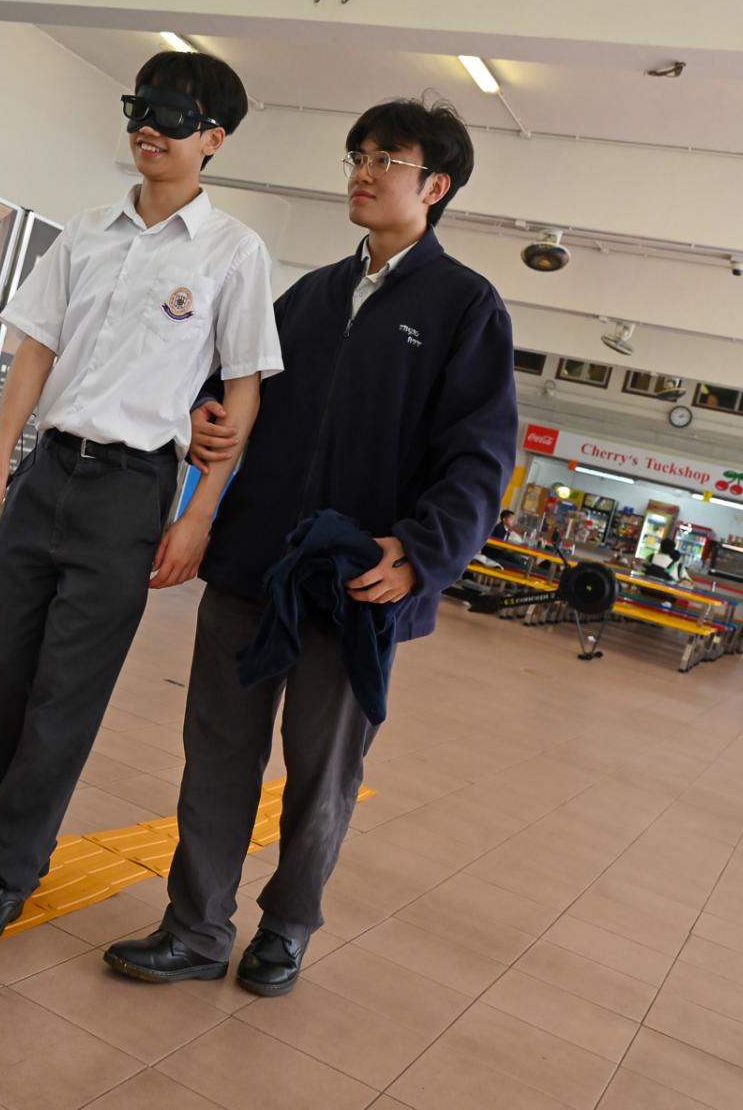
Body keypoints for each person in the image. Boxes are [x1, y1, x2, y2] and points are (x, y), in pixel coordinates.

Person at [105, 97, 516, 996]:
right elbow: (237, 385)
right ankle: (196, 925)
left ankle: (286, 928)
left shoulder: (464, 307)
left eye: (388, 160)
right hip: (256, 564)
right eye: (357, 155)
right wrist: (207, 415)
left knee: (321, 773)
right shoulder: (310, 294)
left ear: (435, 186)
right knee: (218, 752)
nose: (363, 172)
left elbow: (481, 456)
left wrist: (419, 551)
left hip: (356, 581)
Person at [0, 51, 282, 947]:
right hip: (46, 472)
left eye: (175, 114)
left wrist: (199, 512)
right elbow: (34, 353)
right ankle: (2, 840)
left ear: (215, 138)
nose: (149, 125)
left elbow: (243, 389)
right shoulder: (84, 233)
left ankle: (6, 869)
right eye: (141, 107)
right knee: (4, 678)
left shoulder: (233, 253)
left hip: (132, 492)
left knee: (65, 694)